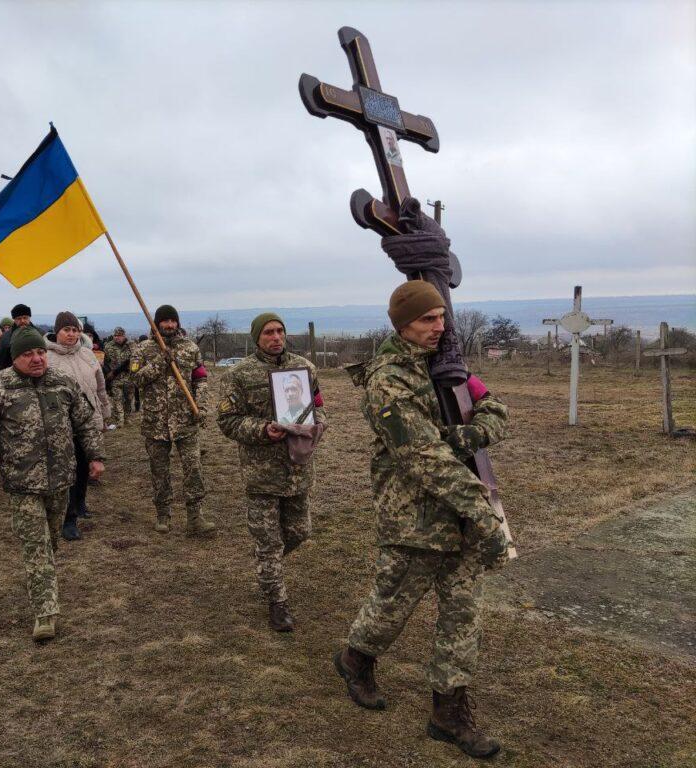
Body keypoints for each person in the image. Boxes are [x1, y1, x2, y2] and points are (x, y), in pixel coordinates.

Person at [335, 280, 511, 759]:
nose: (439, 326)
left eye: (440, 317)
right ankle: (356, 659)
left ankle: (448, 713)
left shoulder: (447, 366)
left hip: (462, 515)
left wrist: (470, 434)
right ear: (402, 324)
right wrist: (484, 513)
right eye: (426, 319)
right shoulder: (388, 380)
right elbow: (423, 458)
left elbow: (494, 407)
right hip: (415, 517)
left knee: (463, 614)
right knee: (392, 606)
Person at [0, 326, 105, 642]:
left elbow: (85, 423)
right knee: (37, 546)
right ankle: (45, 613)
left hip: (60, 480)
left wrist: (96, 456)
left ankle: (42, 582)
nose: (36, 358)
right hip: (22, 483)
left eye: (40, 352)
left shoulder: (63, 383)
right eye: (27, 354)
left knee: (51, 541)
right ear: (15, 357)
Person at [217, 313, 326, 631]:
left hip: (298, 468)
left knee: (299, 532)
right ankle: (278, 604)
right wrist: (264, 429)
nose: (276, 337)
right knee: (269, 542)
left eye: (280, 331)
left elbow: (317, 402)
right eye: (268, 332)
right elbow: (227, 421)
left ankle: (268, 565)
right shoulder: (239, 374)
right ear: (257, 337)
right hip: (261, 473)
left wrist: (318, 422)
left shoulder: (305, 368)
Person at [130, 304, 215, 535]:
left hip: (186, 421)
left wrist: (201, 407)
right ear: (156, 323)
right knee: (159, 470)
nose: (169, 325)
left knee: (193, 468)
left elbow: (200, 380)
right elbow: (136, 380)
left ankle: (195, 516)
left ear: (178, 323)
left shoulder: (190, 349)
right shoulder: (142, 350)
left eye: (173, 321)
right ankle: (163, 513)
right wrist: (160, 362)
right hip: (155, 423)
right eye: (165, 321)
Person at [45, 311, 110, 540]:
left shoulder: (87, 354)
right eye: (66, 330)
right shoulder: (47, 357)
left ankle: (81, 504)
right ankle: (68, 518)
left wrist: (104, 410)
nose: (71, 334)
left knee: (84, 466)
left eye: (74, 330)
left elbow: (99, 385)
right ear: (57, 331)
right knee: (67, 471)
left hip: (88, 420)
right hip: (62, 424)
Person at [103, 326, 134, 427]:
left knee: (128, 399)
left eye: (119, 336)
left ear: (124, 336)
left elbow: (134, 360)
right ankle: (120, 420)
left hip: (128, 377)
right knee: (117, 399)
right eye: (115, 335)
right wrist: (108, 373)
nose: (117, 338)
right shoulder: (108, 346)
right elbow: (105, 362)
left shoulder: (131, 345)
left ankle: (127, 418)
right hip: (115, 379)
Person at [0, 303, 35, 373]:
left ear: (29, 318)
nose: (22, 321)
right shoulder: (5, 338)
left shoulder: (39, 334)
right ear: (14, 320)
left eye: (25, 318)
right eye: (19, 318)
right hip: (13, 376)